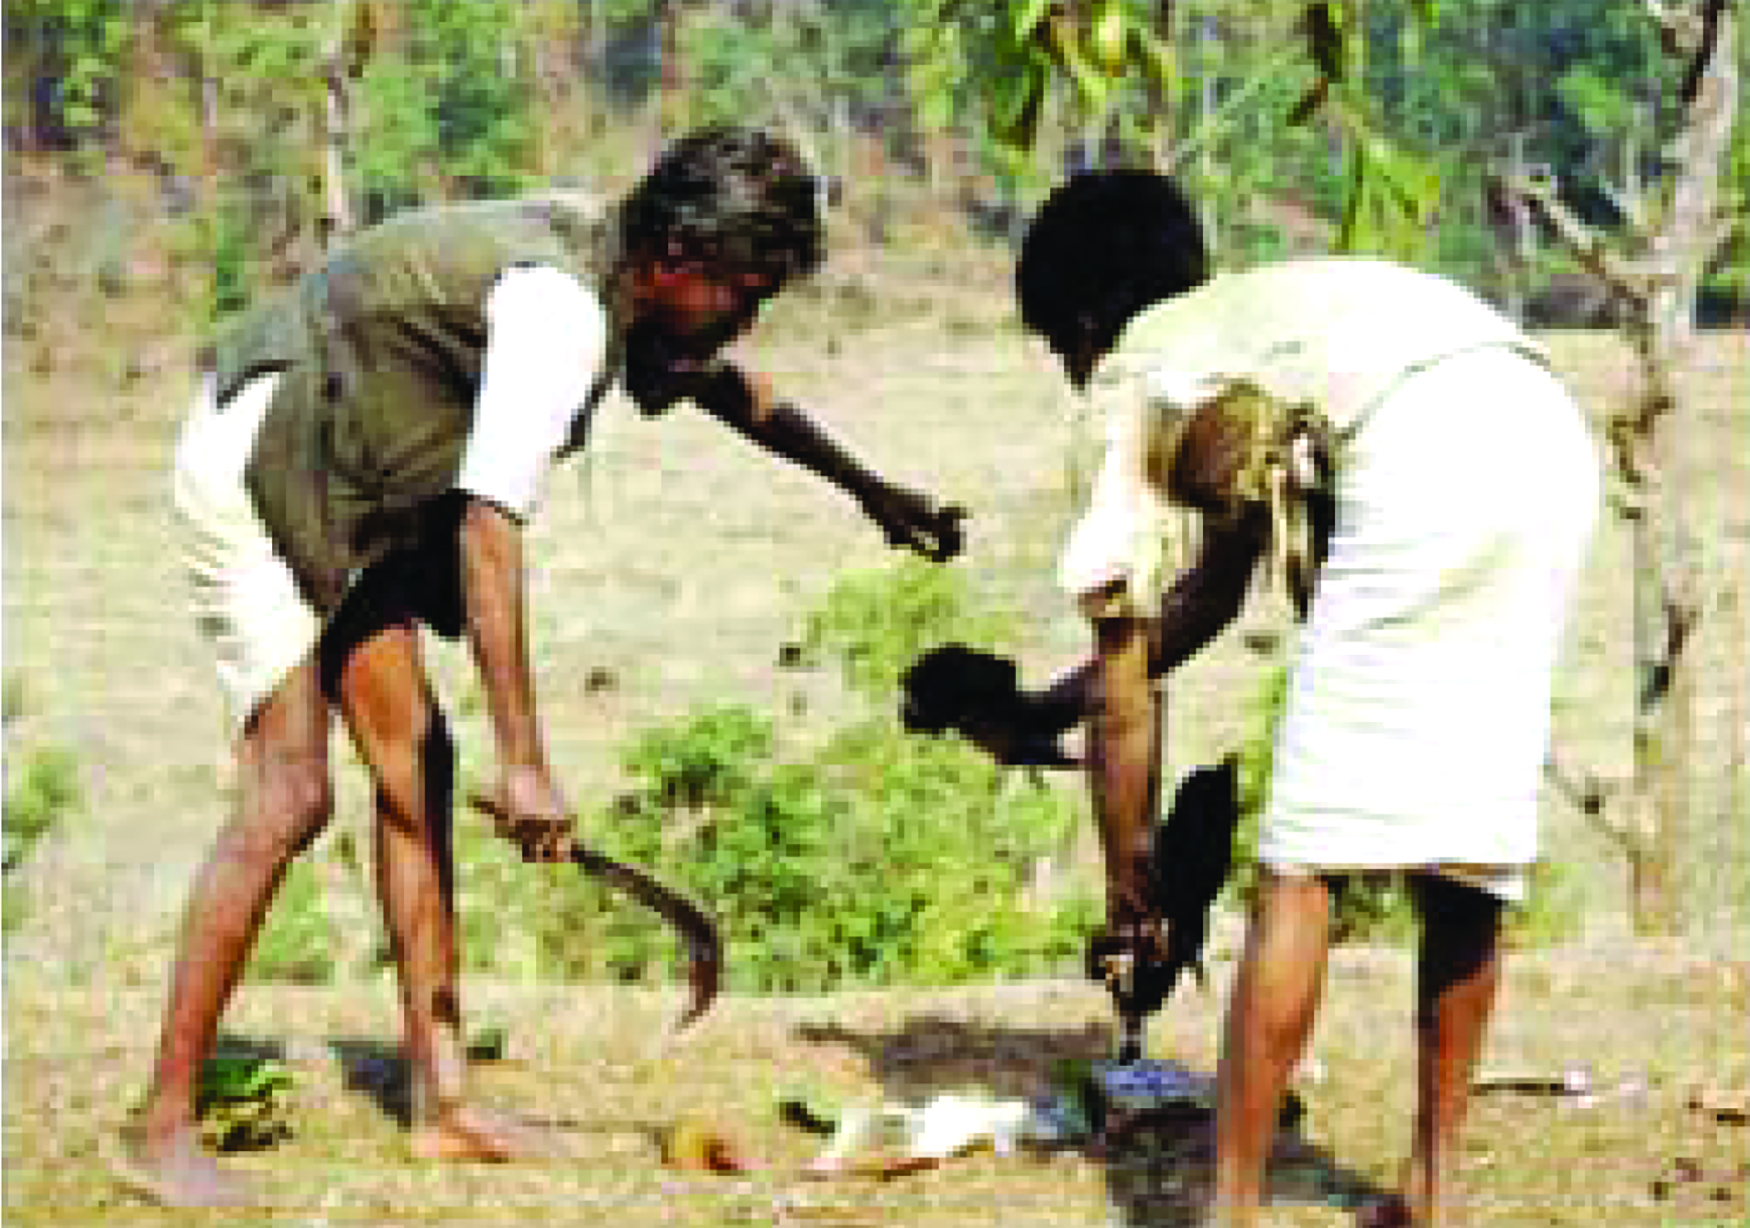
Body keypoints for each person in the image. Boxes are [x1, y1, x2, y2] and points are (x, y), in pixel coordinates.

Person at [124, 125, 965, 1208]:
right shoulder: (560, 311)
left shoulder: (615, 257)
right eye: (741, 292)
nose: (746, 318)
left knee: (416, 772)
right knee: (288, 792)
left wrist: (870, 489)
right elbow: (486, 525)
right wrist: (525, 762)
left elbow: (726, 389)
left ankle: (445, 1104)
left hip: (353, 478)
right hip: (261, 459)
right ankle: (160, 1126)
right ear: (674, 264)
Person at [965, 170, 1599, 1226]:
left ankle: (1232, 1207)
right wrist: (1047, 709)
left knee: (1300, 865)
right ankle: (1431, 1192)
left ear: (1081, 320)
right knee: (1469, 852)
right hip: (1537, 431)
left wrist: (1133, 885)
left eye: (1058, 349)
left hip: (1423, 455)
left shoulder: (1134, 370)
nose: (1069, 371)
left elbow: (1129, 688)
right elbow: (1212, 586)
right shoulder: (1253, 325)